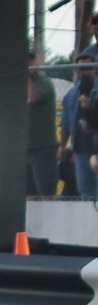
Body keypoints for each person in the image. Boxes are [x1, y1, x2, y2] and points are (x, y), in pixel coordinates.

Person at [61, 51, 96, 199]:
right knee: (85, 190)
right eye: (81, 68)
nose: (84, 72)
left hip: (96, 144)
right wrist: (62, 146)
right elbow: (66, 122)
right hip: (81, 147)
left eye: (89, 68)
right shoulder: (71, 94)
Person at [27, 50, 58, 196]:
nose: (28, 64)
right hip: (25, 147)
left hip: (43, 147)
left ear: (37, 62)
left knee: (45, 192)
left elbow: (33, 99)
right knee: (28, 193)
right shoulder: (18, 85)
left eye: (31, 60)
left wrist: (27, 78)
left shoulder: (44, 82)